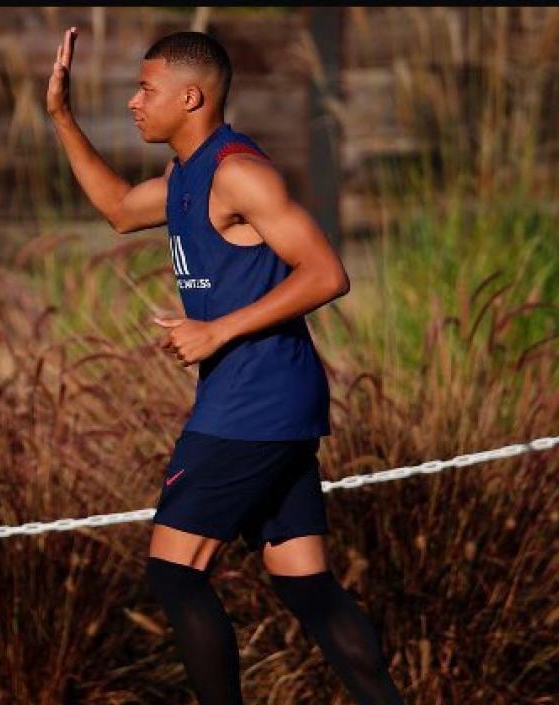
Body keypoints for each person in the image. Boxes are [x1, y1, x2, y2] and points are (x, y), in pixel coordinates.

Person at [45, 27, 407, 705]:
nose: (133, 101)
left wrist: (218, 331)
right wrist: (61, 117)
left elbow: (327, 272)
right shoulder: (186, 174)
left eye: (146, 89)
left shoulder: (240, 171)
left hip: (253, 401)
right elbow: (120, 210)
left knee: (176, 574)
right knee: (305, 583)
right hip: (273, 401)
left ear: (191, 95)